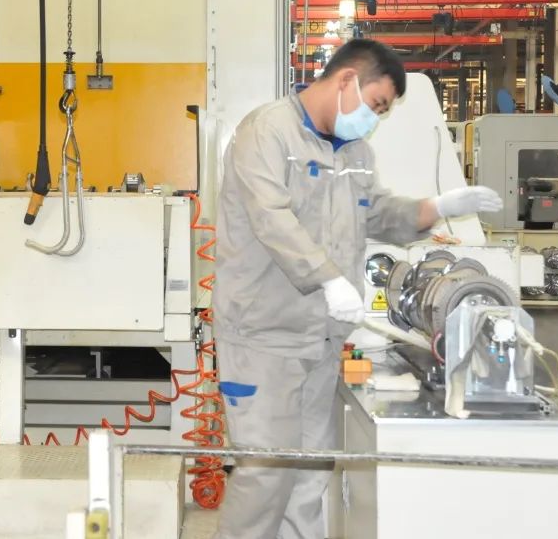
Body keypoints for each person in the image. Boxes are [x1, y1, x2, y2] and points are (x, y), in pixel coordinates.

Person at [211, 39, 502, 539]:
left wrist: (436, 207)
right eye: (376, 105)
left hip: (321, 337)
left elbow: (379, 212)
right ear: (347, 80)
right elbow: (272, 220)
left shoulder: (356, 152)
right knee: (265, 473)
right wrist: (328, 278)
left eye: (383, 112)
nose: (374, 120)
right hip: (263, 336)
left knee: (310, 469)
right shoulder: (267, 132)